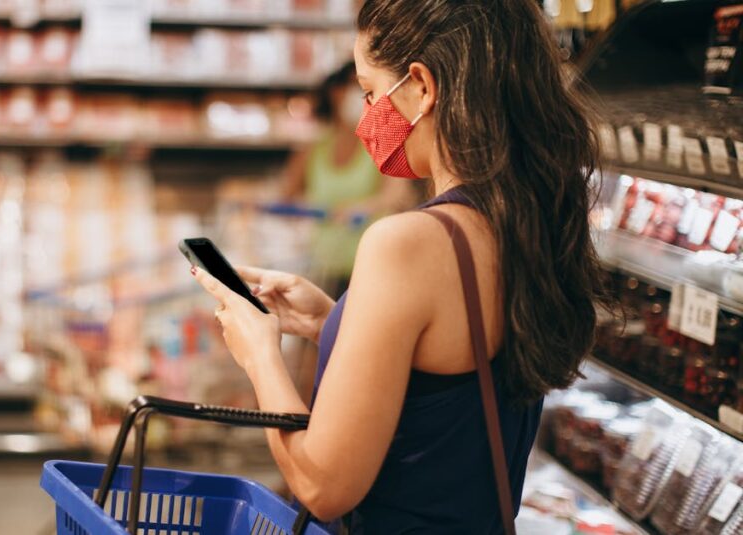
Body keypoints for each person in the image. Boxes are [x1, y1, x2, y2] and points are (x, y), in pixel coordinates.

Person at [192, 0, 614, 533]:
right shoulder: (524, 223)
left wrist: (260, 353)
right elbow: (447, 382)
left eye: (370, 92)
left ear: (420, 85)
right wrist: (337, 323)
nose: (366, 117)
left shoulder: (408, 243)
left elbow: (324, 485)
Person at [281, 62, 422, 297]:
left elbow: (398, 195)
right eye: (361, 89)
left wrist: (359, 208)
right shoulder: (314, 149)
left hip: (372, 271)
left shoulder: (382, 145)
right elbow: (286, 197)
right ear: (335, 92)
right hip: (324, 270)